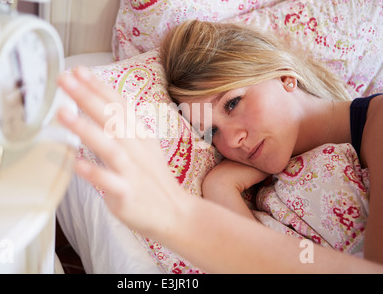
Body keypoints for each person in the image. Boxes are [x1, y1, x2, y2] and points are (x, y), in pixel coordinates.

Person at [56, 20, 383, 273]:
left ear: (284, 76)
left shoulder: (378, 121)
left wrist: (179, 217)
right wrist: (220, 185)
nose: (231, 141)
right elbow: (254, 262)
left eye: (232, 103)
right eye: (212, 133)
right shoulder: (264, 186)